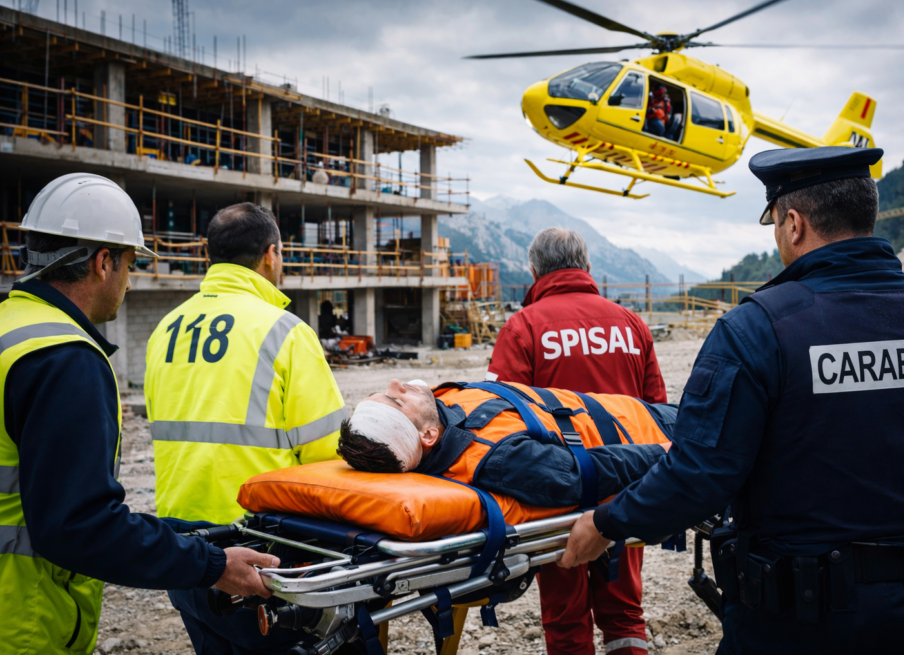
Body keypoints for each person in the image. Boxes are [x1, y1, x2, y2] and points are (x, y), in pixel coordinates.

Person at [561, 146, 904, 654]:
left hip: (795, 622)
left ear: (793, 224)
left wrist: (607, 522)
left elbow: (700, 475)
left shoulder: (757, 329)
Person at [0, 174, 277, 655]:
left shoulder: (12, 328)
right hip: (22, 621)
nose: (129, 280)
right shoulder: (64, 358)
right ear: (104, 262)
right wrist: (213, 566)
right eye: (130, 263)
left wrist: (186, 538)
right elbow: (79, 526)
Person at [144, 202, 347, 654]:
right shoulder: (285, 332)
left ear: (211, 254)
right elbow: (328, 457)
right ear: (271, 254)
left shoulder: (166, 330)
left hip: (182, 547)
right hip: (258, 548)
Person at [485, 227, 666, 655]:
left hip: (558, 495)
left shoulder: (523, 327)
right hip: (625, 492)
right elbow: (658, 413)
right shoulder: (631, 324)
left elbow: (500, 422)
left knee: (565, 619)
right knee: (625, 614)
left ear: (534, 272)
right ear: (587, 266)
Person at [337, 379, 675, 507]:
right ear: (427, 436)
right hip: (657, 432)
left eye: (383, 391)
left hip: (638, 412)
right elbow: (585, 475)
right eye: (397, 400)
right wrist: (671, 453)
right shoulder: (498, 459)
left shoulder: (442, 409)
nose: (396, 383)